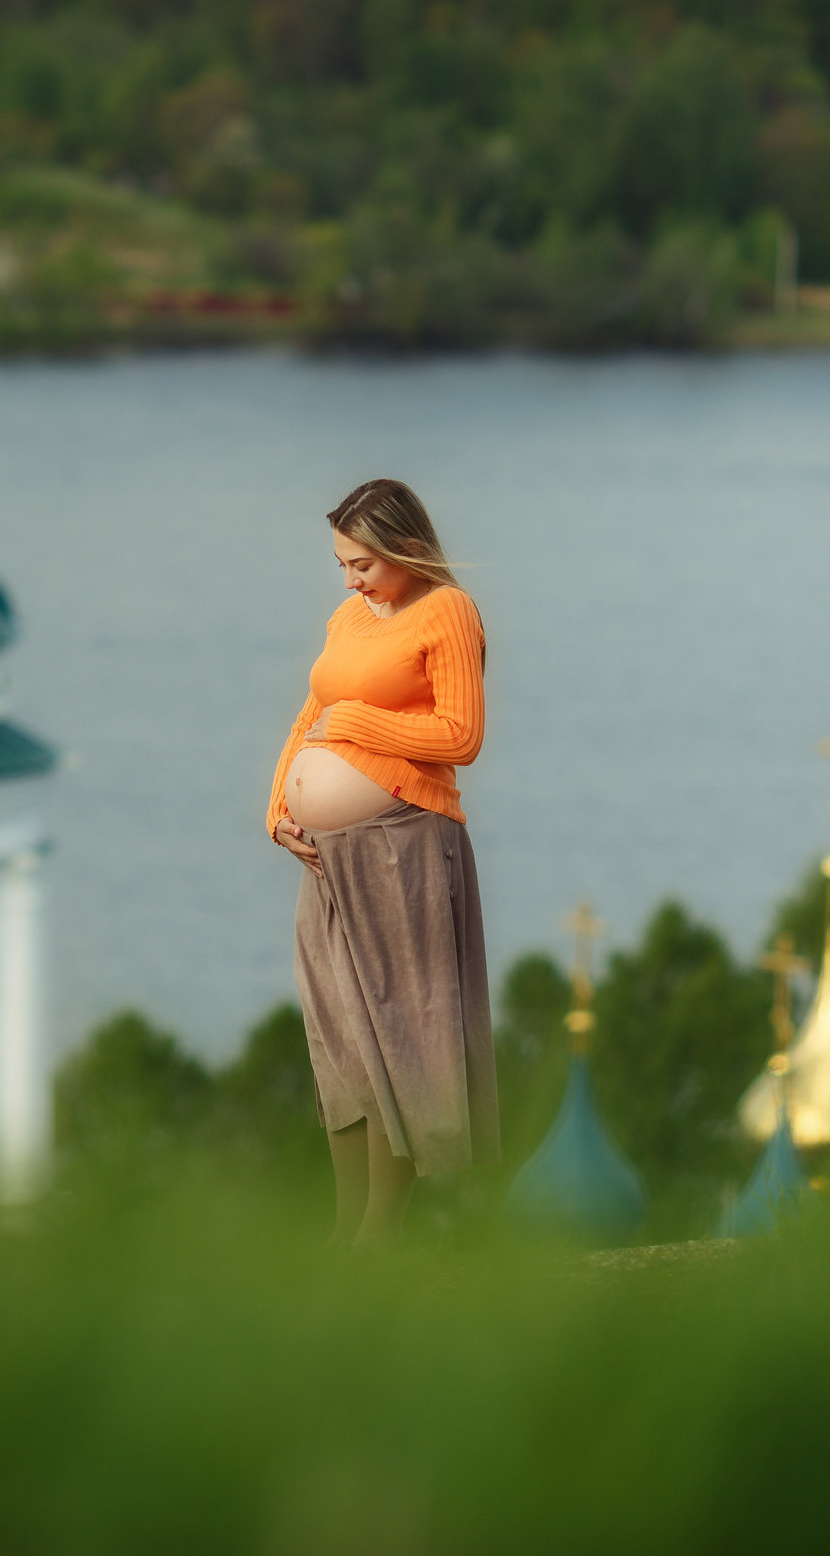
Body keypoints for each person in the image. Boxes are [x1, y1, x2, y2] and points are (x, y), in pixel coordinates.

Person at [267, 479, 497, 1248]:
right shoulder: (350, 615)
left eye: (362, 563)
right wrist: (278, 803)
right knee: (338, 1036)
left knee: (396, 1034)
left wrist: (355, 721)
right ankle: (345, 1231)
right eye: (341, 563)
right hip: (328, 857)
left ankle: (378, 1237)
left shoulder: (448, 613)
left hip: (402, 847)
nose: (350, 579)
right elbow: (313, 710)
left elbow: (461, 735)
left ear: (405, 547)